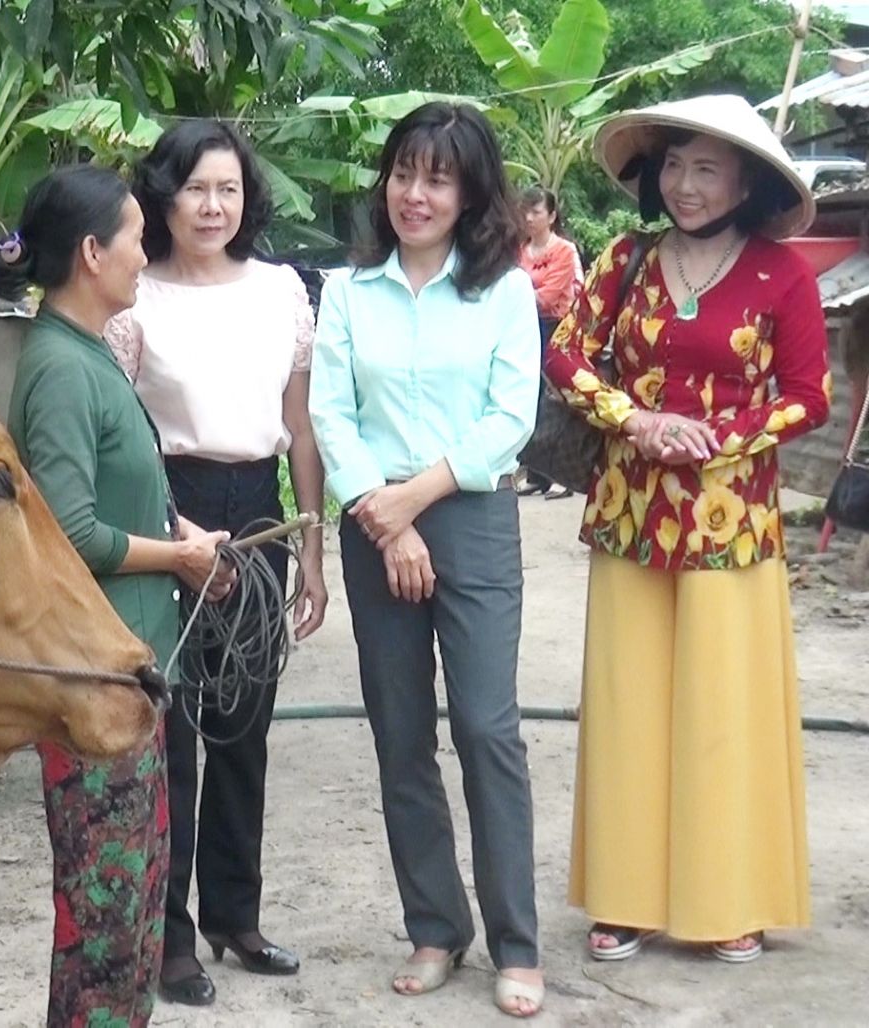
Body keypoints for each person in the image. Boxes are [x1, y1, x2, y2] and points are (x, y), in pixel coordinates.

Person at [547, 94, 830, 967]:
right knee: (630, 708)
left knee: (721, 711)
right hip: (631, 513)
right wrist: (634, 420)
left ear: (746, 181)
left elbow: (808, 395)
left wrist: (715, 439)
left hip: (731, 520)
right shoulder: (624, 258)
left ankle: (725, 899)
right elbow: (564, 351)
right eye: (675, 164)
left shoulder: (782, 274)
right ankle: (627, 901)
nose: (685, 183)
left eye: (708, 168)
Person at [307, 101, 545, 1017]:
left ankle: (516, 944)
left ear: (471, 190)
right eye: (404, 173)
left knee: (488, 730)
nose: (416, 193)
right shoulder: (351, 289)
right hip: (377, 529)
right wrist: (386, 517)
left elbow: (509, 416)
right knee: (402, 734)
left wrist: (417, 498)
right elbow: (332, 414)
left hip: (472, 517)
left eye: (438, 177)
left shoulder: (505, 291)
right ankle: (436, 927)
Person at [0, 164, 234, 1028]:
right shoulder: (59, 368)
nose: (146, 252)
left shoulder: (88, 354)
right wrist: (176, 558)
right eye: (135, 235)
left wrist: (184, 534)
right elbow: (69, 535)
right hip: (92, 686)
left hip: (130, 678)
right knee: (102, 921)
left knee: (132, 913)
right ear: (92, 254)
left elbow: (122, 498)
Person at [109, 120, 327, 1007]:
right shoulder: (134, 300)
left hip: (261, 515)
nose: (213, 205)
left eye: (229, 189)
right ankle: (170, 939)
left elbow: (301, 427)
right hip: (170, 509)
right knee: (173, 740)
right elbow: (122, 441)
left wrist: (310, 549)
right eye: (196, 187)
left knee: (244, 727)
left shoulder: (282, 290)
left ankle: (238, 915)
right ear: (163, 195)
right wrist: (178, 535)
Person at [517, 185, 583, 499]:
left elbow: (549, 296)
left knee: (557, 399)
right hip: (525, 327)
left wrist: (516, 296)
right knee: (528, 395)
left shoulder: (565, 251)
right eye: (525, 211)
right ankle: (536, 473)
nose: (529, 217)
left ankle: (561, 476)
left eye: (536, 211)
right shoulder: (519, 250)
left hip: (558, 328)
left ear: (552, 216)